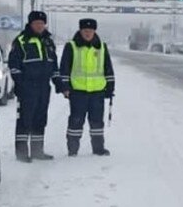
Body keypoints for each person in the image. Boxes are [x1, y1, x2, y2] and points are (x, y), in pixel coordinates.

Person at [58, 18, 115, 157]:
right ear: (81, 31)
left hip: (97, 91)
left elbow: (108, 68)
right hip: (78, 91)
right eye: (85, 30)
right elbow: (64, 68)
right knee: (76, 121)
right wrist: (65, 87)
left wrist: (110, 87)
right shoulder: (71, 46)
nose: (88, 33)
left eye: (90, 30)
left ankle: (98, 148)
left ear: (94, 31)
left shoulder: (101, 46)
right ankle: (72, 149)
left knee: (97, 122)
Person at [7, 10, 59, 161]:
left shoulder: (48, 41)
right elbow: (14, 66)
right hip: (27, 88)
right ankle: (22, 152)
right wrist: (21, 85)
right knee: (25, 120)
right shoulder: (21, 41)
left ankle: (37, 151)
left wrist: (60, 85)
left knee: (40, 119)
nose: (40, 26)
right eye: (37, 23)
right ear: (30, 24)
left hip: (44, 87)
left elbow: (54, 65)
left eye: (42, 23)